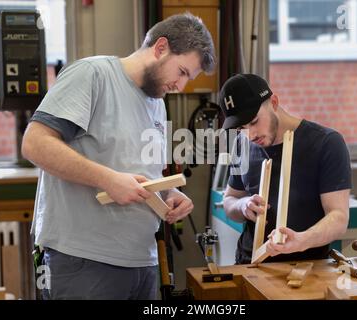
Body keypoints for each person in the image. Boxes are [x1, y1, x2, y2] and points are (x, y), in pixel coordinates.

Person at [21, 13, 216, 299]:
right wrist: (108, 180)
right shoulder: (92, 75)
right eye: (182, 72)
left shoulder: (156, 104)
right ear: (161, 48)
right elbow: (35, 144)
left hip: (142, 262)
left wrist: (169, 193)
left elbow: (147, 173)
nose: (181, 86)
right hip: (84, 263)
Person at [220, 74, 351, 264]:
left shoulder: (326, 143)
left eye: (254, 121)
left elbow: (339, 218)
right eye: (241, 128)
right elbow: (229, 200)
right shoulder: (242, 144)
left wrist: (301, 240)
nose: (250, 134)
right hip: (249, 264)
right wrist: (242, 205)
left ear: (274, 102)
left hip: (305, 267)